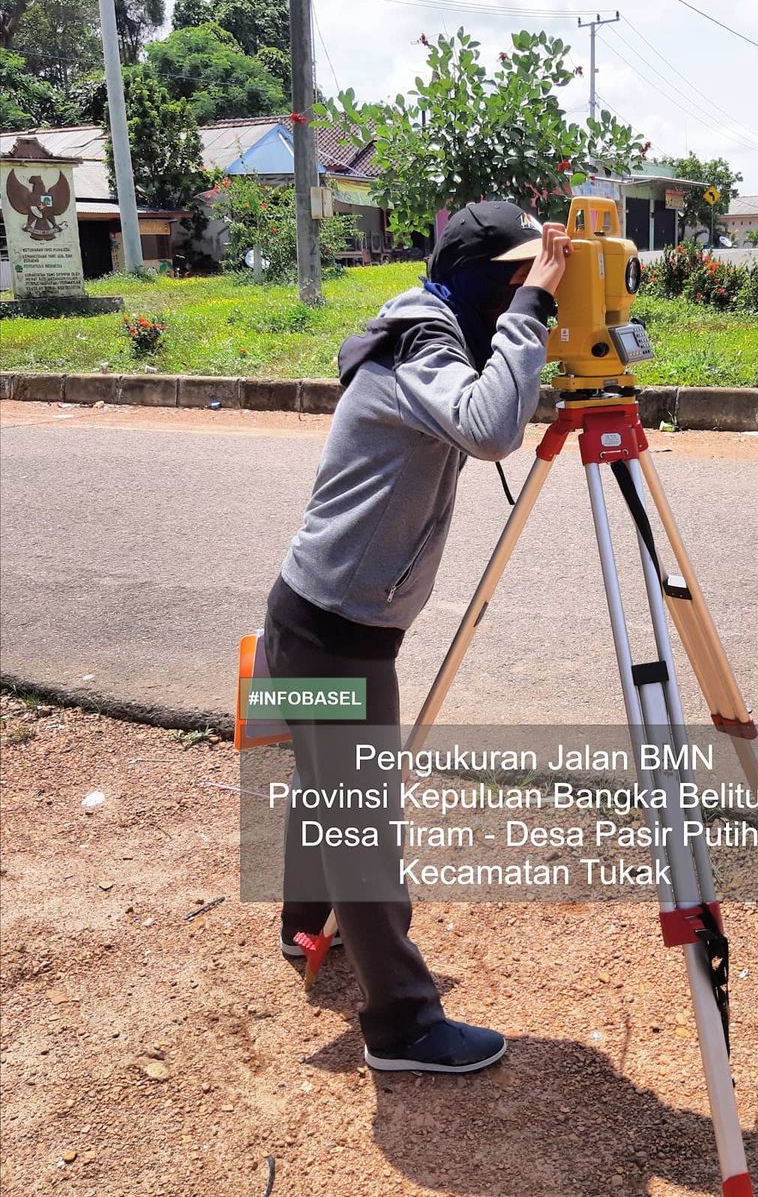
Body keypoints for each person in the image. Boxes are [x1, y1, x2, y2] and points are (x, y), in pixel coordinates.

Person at [262, 201, 570, 1074]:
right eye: (517, 277)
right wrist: (532, 313)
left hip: (310, 614)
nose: (530, 290)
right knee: (362, 819)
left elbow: (487, 403)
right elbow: (492, 428)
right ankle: (401, 1027)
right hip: (334, 631)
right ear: (481, 281)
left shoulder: (431, 327)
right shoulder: (421, 345)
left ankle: (302, 923)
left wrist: (526, 319)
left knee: (329, 787)